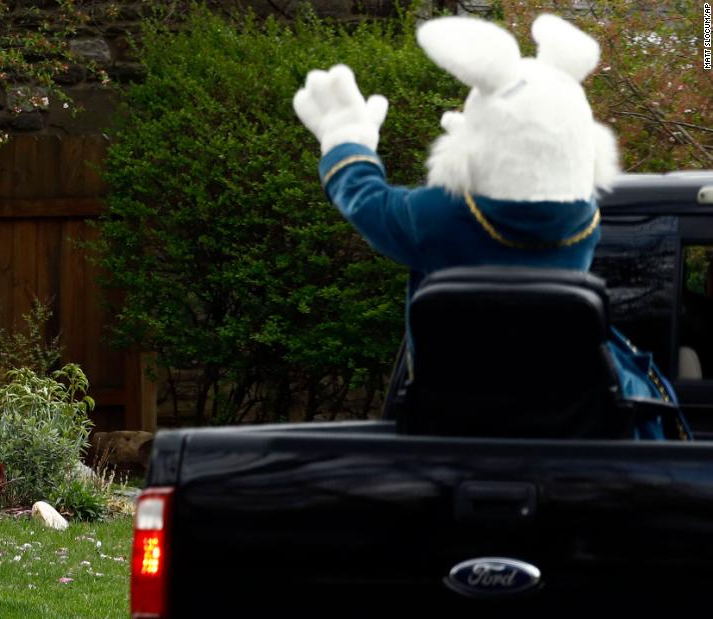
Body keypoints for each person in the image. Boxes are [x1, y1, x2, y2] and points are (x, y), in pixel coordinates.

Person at [293, 14, 689, 439]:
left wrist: (345, 139)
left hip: (455, 410)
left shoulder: (439, 217)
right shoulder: (584, 221)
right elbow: (530, 169)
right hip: (564, 413)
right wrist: (486, 148)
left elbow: (368, 202)